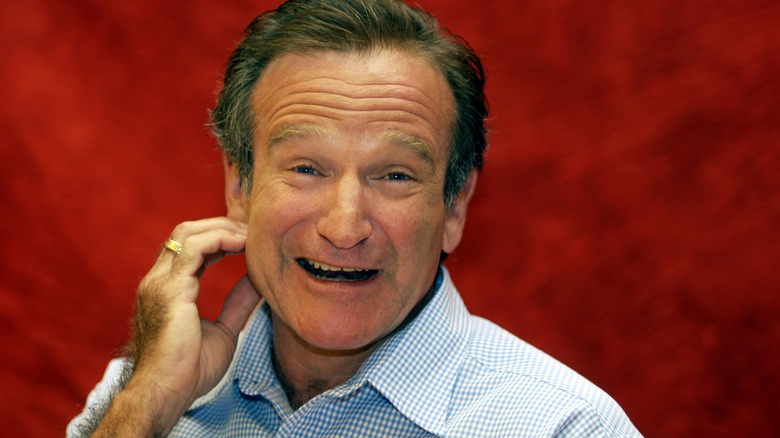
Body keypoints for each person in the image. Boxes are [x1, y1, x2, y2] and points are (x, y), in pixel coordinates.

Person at [69, 0, 641, 436]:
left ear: (454, 208)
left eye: (394, 175)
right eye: (307, 168)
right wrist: (147, 406)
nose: (344, 227)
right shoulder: (143, 394)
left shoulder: (563, 426)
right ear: (239, 187)